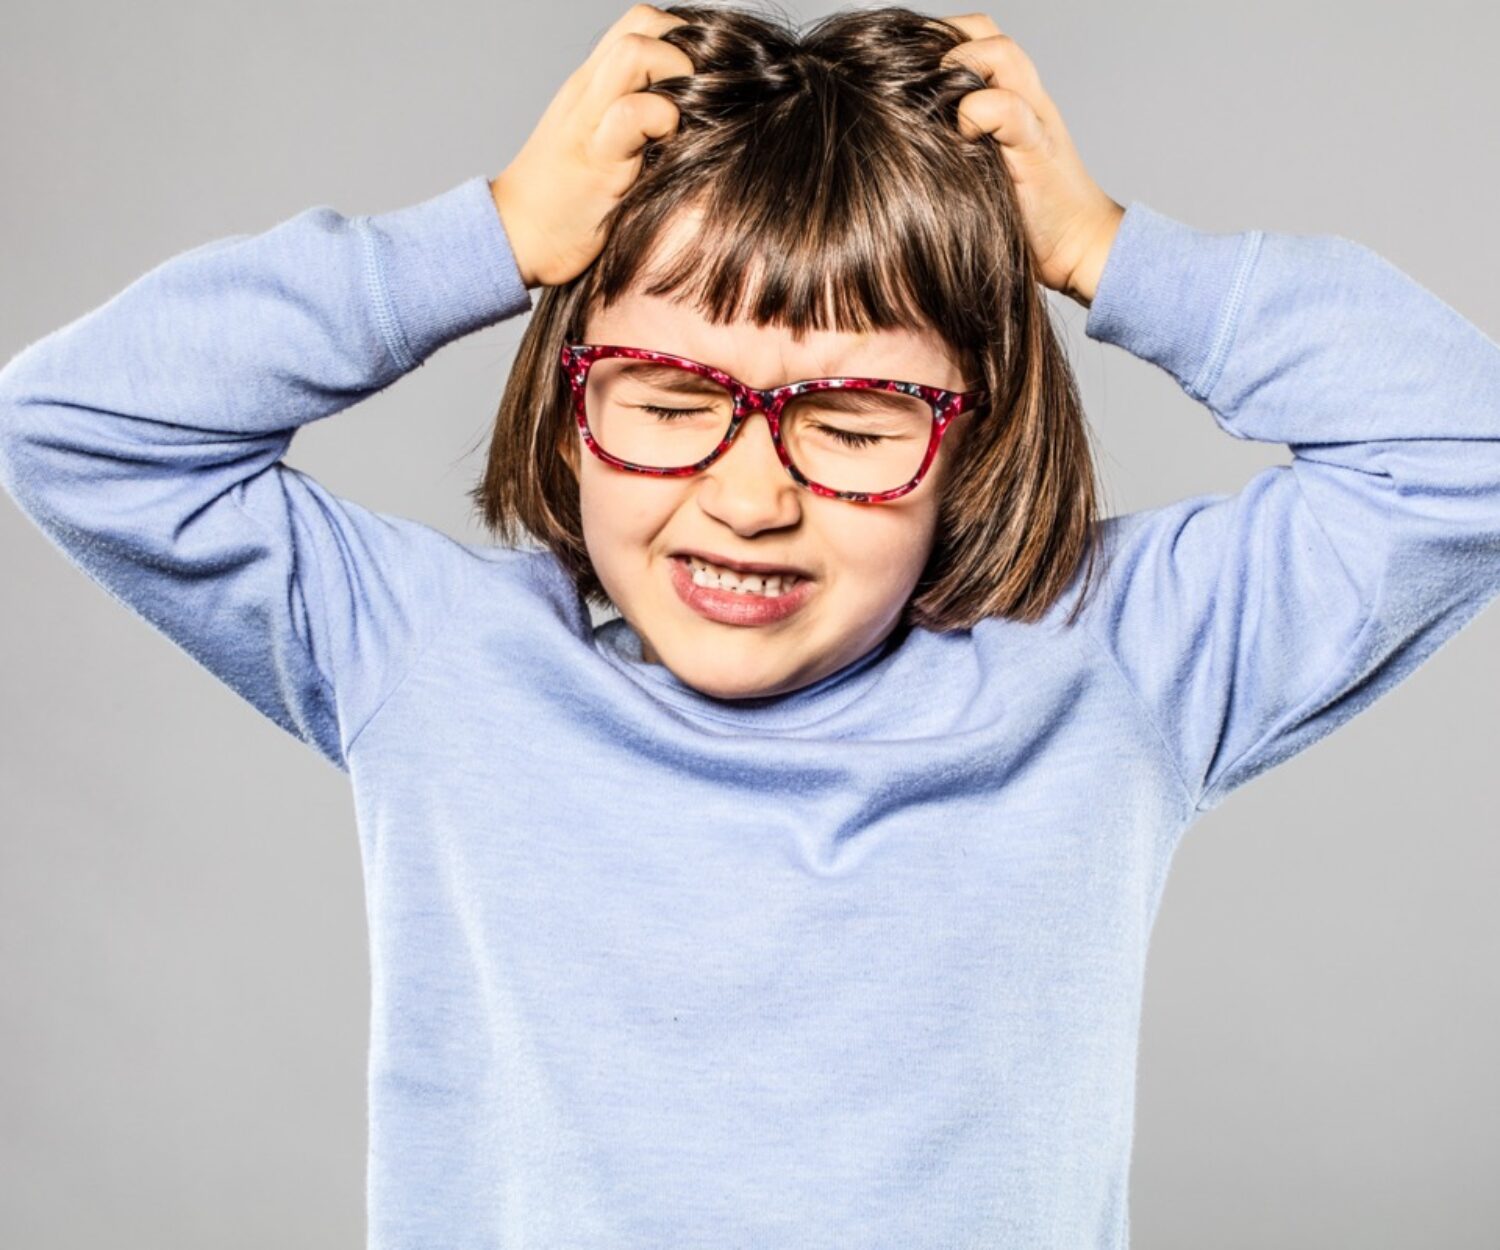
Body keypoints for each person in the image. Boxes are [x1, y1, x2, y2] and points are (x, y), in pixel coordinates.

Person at [1, 4, 1496, 1246]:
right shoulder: (437, 662)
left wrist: (1109, 250)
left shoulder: (1111, 671)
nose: (748, 494)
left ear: (971, 439)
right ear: (572, 406)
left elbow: (1465, 455)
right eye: (669, 402)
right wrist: (493, 238)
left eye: (852, 421)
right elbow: (76, 426)